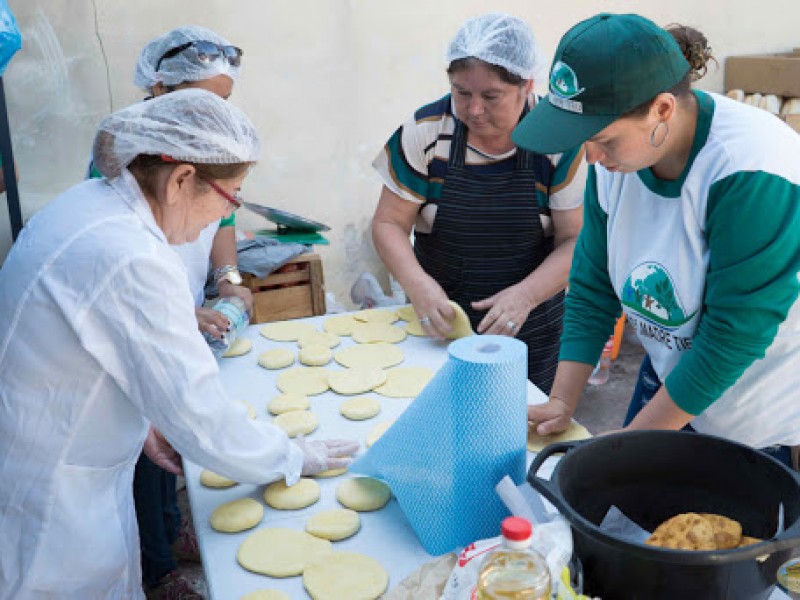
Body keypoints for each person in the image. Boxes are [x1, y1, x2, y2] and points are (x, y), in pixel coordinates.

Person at [0, 89, 357, 599]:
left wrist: (141, 416)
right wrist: (291, 457)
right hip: (52, 501)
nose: (223, 216)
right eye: (230, 197)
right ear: (182, 179)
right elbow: (201, 416)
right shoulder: (132, 257)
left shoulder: (90, 205)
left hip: (59, 459)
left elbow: (82, 350)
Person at [520, 14, 800, 468]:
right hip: (672, 374)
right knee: (627, 513)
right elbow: (593, 287)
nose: (589, 157)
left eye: (602, 139)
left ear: (662, 109)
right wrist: (561, 401)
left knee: (708, 530)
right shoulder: (617, 163)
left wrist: (628, 443)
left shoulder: (752, 170)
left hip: (755, 409)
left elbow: (733, 336)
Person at [87, 26, 251, 596]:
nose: (217, 115)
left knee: (167, 449)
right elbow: (127, 284)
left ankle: (172, 528)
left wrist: (226, 284)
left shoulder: (209, 151)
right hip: (147, 313)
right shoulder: (120, 162)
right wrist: (283, 458)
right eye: (206, 101)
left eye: (224, 103)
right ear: (160, 90)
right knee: (143, 447)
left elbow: (223, 215)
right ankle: (157, 567)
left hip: (182, 304)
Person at [371, 13, 586, 393]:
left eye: (491, 96)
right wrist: (418, 286)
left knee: (523, 434)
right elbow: (389, 223)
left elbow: (575, 239)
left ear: (527, 85)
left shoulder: (557, 140)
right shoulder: (425, 132)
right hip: (440, 326)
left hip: (531, 329)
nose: (473, 110)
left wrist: (526, 296)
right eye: (461, 93)